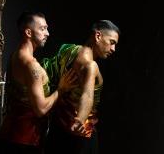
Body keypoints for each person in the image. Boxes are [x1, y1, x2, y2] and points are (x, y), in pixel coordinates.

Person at [0, 11, 76, 154]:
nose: (47, 33)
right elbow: (40, 110)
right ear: (28, 32)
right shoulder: (31, 65)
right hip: (25, 141)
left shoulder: (15, 56)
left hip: (9, 135)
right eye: (42, 28)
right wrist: (61, 89)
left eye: (46, 28)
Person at [42, 20, 120, 154]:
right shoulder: (91, 66)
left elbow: (49, 69)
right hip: (80, 136)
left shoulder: (68, 50)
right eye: (111, 42)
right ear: (98, 36)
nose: (113, 49)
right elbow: (88, 95)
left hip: (58, 131)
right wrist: (80, 120)